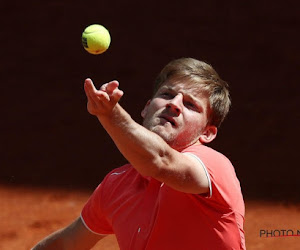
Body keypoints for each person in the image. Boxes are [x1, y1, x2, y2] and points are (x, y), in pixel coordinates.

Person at [32, 58, 245, 250]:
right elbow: (66, 244)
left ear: (207, 133)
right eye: (166, 94)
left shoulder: (214, 166)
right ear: (146, 108)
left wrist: (110, 114)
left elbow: (159, 161)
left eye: (190, 104)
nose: (174, 104)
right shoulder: (116, 185)